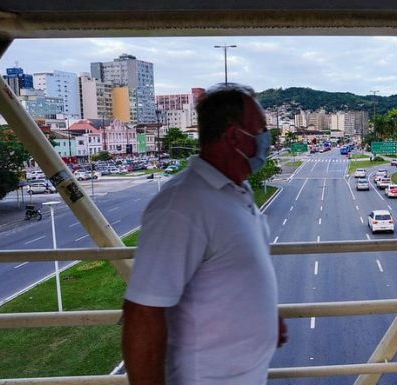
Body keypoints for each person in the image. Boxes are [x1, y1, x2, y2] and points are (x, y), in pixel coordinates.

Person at [122, 83, 287, 385]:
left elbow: (233, 270)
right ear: (235, 136)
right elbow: (143, 313)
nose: (268, 139)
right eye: (262, 130)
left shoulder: (236, 189)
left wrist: (266, 315)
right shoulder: (181, 205)